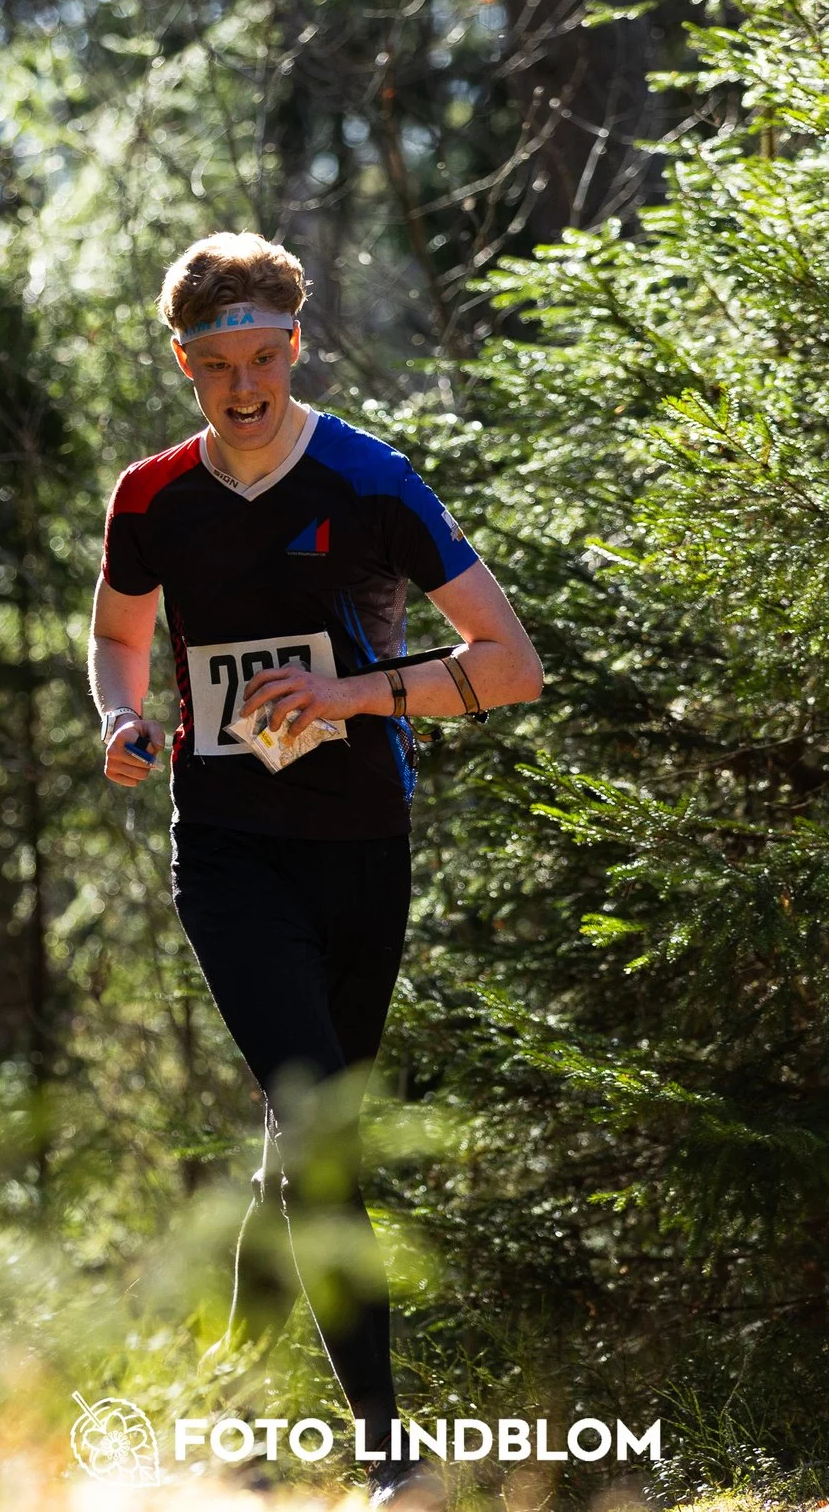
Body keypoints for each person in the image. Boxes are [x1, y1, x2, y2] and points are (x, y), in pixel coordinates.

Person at [88, 233, 544, 1507]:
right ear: (181, 362)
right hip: (227, 848)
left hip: (361, 845)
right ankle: (387, 1448)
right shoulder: (151, 497)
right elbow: (120, 636)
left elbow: (508, 664)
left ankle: (220, 1413)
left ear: (299, 346)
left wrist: (345, 694)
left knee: (302, 1137)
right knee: (323, 1127)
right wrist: (122, 723)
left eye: (264, 361)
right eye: (216, 367)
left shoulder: (370, 480)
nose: (242, 391)